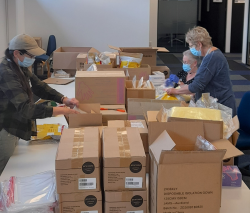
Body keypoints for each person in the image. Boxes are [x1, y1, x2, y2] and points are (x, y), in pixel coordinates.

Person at [0, 34, 80, 175]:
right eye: (31, 55)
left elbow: (39, 86)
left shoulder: (18, 67)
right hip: (5, 127)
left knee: (13, 164)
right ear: (17, 53)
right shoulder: (6, 73)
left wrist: (63, 99)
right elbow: (26, 109)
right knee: (6, 170)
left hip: (15, 124)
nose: (33, 59)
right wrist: (59, 111)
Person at [166, 26, 237, 116]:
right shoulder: (211, 55)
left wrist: (175, 91)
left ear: (199, 44)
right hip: (217, 104)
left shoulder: (212, 58)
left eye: (191, 46)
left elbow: (196, 86)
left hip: (222, 107)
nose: (190, 49)